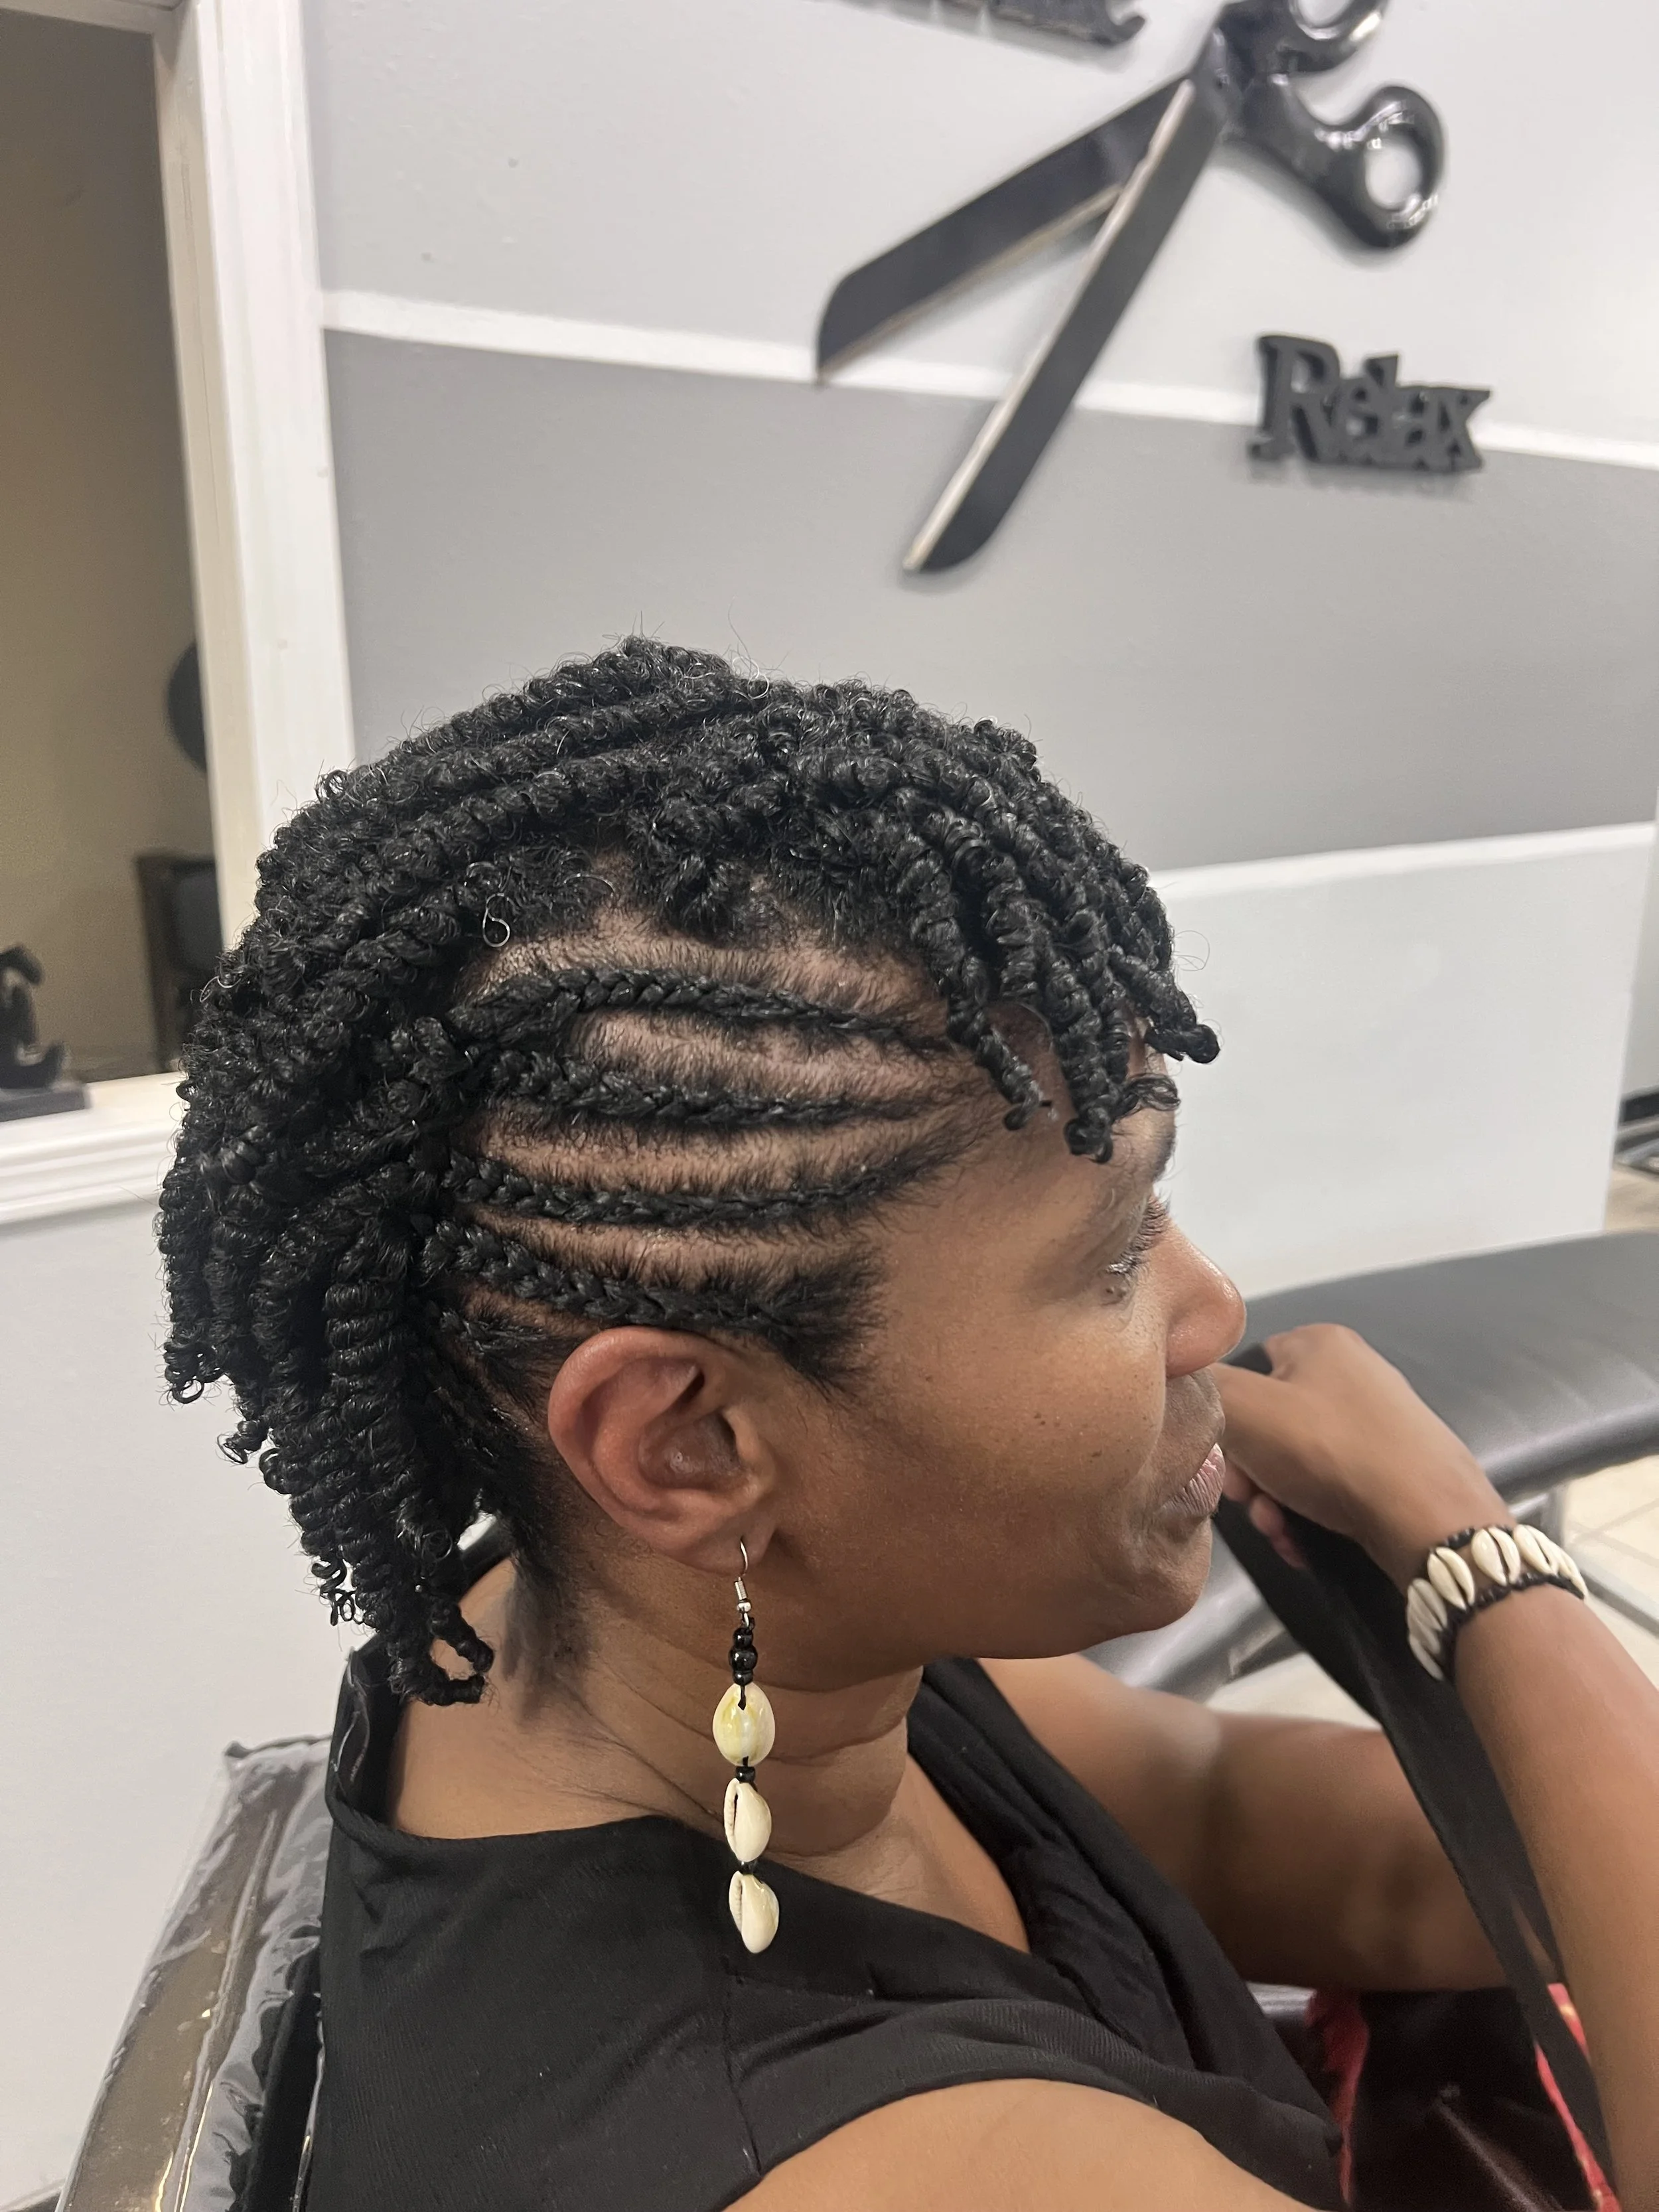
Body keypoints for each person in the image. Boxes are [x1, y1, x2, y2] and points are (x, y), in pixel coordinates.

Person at [159, 639, 1659, 2211]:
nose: (1213, 1308)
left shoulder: (640, 1622)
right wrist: (1476, 1565)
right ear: (684, 1441)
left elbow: (1229, 1815)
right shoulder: (865, 2167)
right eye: (1115, 1251)